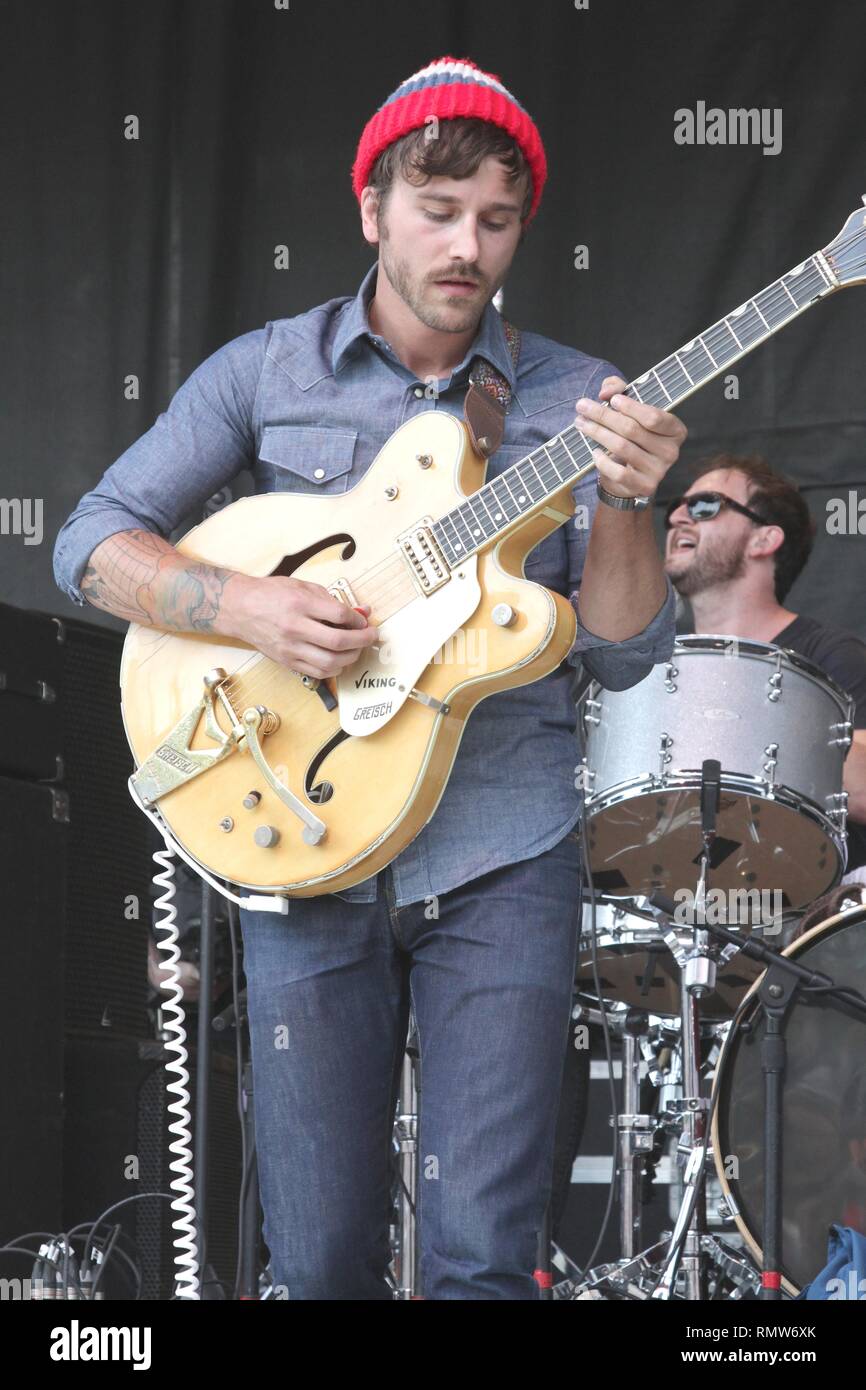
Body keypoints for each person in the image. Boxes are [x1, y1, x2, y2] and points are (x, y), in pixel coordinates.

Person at [53, 56, 687, 1299]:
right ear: (369, 208)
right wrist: (248, 605)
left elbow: (616, 648)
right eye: (437, 211)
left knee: (482, 1259)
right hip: (301, 833)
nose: (467, 246)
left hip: (503, 849)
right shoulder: (266, 370)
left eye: (496, 220)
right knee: (321, 1257)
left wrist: (627, 498)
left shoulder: (572, 394)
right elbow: (92, 540)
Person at [664, 452, 866, 879]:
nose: (678, 517)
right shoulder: (655, 670)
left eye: (704, 506)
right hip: (678, 904)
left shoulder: (831, 655)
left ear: (764, 539)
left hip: (807, 916)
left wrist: (735, 728)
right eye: (676, 507)